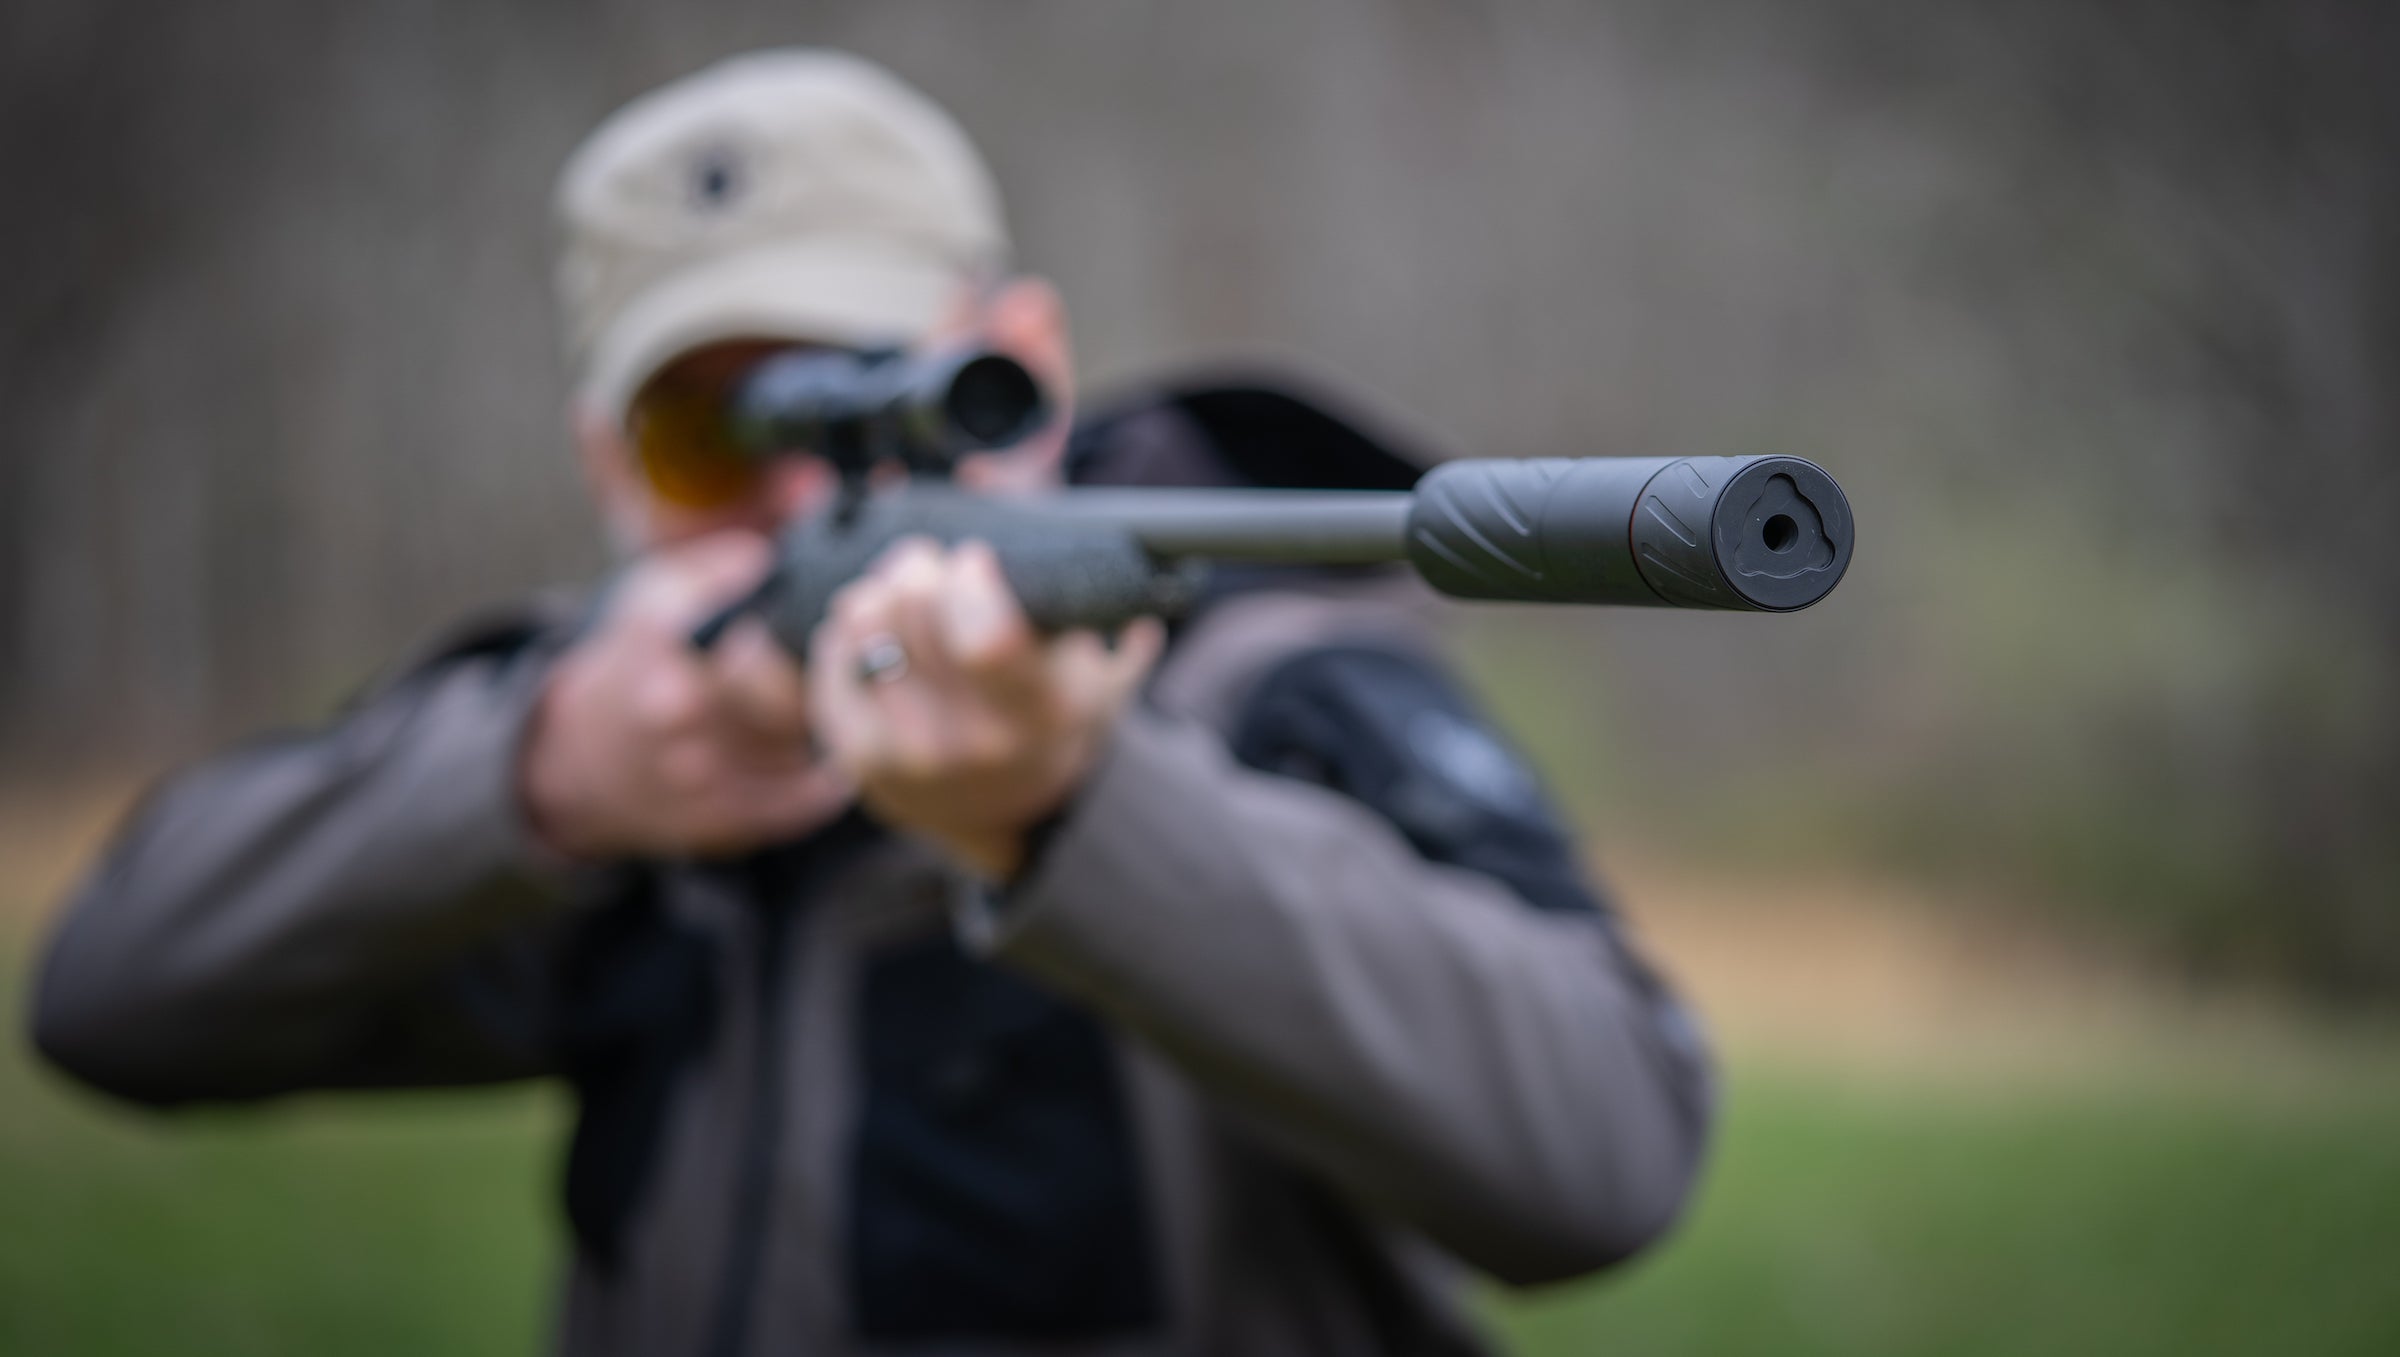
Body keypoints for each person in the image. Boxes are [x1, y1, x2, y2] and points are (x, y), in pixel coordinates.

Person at [32, 49, 1712, 1357]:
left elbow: (1609, 1157)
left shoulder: (1265, 677)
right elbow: (115, 996)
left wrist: (1077, 812)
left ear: (1020, 360)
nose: (800, 490)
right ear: (603, 459)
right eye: (707, 435)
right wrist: (542, 781)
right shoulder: (612, 744)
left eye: (883, 390)